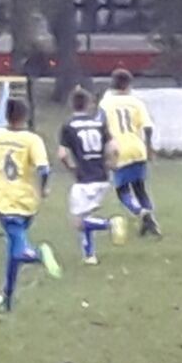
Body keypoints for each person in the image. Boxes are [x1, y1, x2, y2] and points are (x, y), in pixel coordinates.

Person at [0, 98, 62, 311]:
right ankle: (7, 297)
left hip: (2, 200)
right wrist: (44, 188)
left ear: (6, 116)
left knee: (18, 249)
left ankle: (39, 254)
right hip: (27, 201)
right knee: (14, 247)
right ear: (25, 117)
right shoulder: (32, 140)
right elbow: (44, 169)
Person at [58, 88, 127, 265]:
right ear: (89, 104)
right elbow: (114, 148)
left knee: (78, 221)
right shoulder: (99, 124)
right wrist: (112, 163)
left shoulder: (68, 126)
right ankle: (90, 255)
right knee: (86, 216)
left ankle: (110, 224)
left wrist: (71, 168)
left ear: (71, 104)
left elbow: (62, 154)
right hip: (102, 176)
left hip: (84, 179)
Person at [99, 69, 160, 236]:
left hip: (118, 150)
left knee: (122, 190)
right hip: (137, 149)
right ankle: (150, 221)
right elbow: (147, 127)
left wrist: (104, 153)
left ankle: (141, 212)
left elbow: (101, 127)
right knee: (140, 188)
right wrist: (148, 147)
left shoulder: (105, 103)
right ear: (128, 85)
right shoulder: (136, 103)